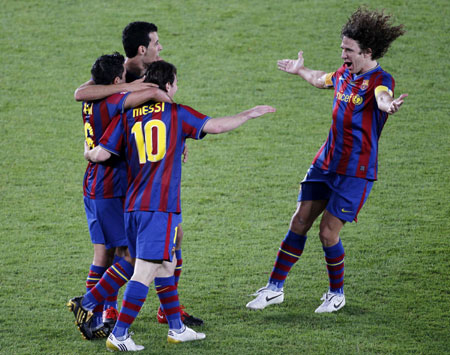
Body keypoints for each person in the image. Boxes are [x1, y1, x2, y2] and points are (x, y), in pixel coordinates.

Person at [82, 60, 276, 351]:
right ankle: (118, 333)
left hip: (132, 205)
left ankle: (177, 328)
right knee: (144, 271)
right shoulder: (177, 113)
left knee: (166, 264)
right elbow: (218, 126)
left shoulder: (127, 116)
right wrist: (249, 113)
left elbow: (99, 153)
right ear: (169, 85)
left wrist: (87, 150)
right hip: (158, 206)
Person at [246, 7, 407, 313]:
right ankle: (274, 288)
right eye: (342, 48)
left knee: (327, 232)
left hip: (355, 172)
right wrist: (299, 70)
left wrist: (389, 107)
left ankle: (336, 294)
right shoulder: (344, 74)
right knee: (299, 220)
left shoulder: (380, 80)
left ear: (367, 52)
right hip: (325, 162)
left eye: (349, 49)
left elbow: (384, 98)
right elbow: (320, 79)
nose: (343, 53)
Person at [74, 21, 202, 327]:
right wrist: (130, 87)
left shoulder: (146, 75)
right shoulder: (119, 78)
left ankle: (167, 309)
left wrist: (178, 136)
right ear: (142, 49)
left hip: (136, 174)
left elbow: (161, 103)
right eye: (157, 43)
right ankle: (100, 312)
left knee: (172, 237)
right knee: (118, 253)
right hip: (115, 178)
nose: (161, 48)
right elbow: (81, 93)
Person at [67, 52, 172, 340]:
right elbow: (153, 92)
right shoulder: (113, 102)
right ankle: (87, 307)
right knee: (131, 255)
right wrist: (176, 124)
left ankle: (97, 317)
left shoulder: (93, 98)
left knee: (104, 253)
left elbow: (83, 91)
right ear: (116, 80)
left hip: (93, 184)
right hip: (111, 187)